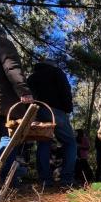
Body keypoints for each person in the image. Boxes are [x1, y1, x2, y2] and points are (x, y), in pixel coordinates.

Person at [0, 23, 33, 183]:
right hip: (2, 104)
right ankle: (7, 180)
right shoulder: (1, 42)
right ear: (1, 33)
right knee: (7, 136)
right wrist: (24, 91)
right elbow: (11, 67)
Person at [27, 59, 77, 187]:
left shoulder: (32, 77)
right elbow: (65, 90)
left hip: (37, 111)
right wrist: (68, 108)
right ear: (52, 64)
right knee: (70, 142)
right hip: (56, 111)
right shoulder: (56, 72)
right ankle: (66, 178)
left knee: (43, 142)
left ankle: (45, 179)